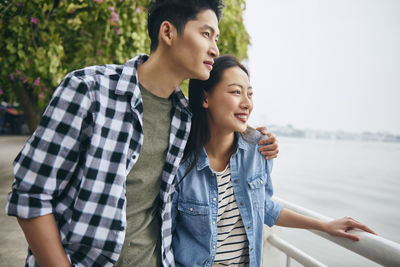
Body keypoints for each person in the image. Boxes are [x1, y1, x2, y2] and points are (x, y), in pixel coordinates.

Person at [5, 1, 279, 266]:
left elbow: (222, 134)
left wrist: (259, 139)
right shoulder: (88, 90)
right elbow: (31, 194)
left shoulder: (184, 117)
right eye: (206, 34)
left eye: (216, 38)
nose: (214, 49)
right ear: (168, 32)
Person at [171, 55, 377, 266]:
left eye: (250, 94)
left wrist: (324, 225)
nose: (247, 103)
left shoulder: (258, 149)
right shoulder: (179, 161)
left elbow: (265, 206)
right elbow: (165, 234)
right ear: (205, 98)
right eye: (236, 92)